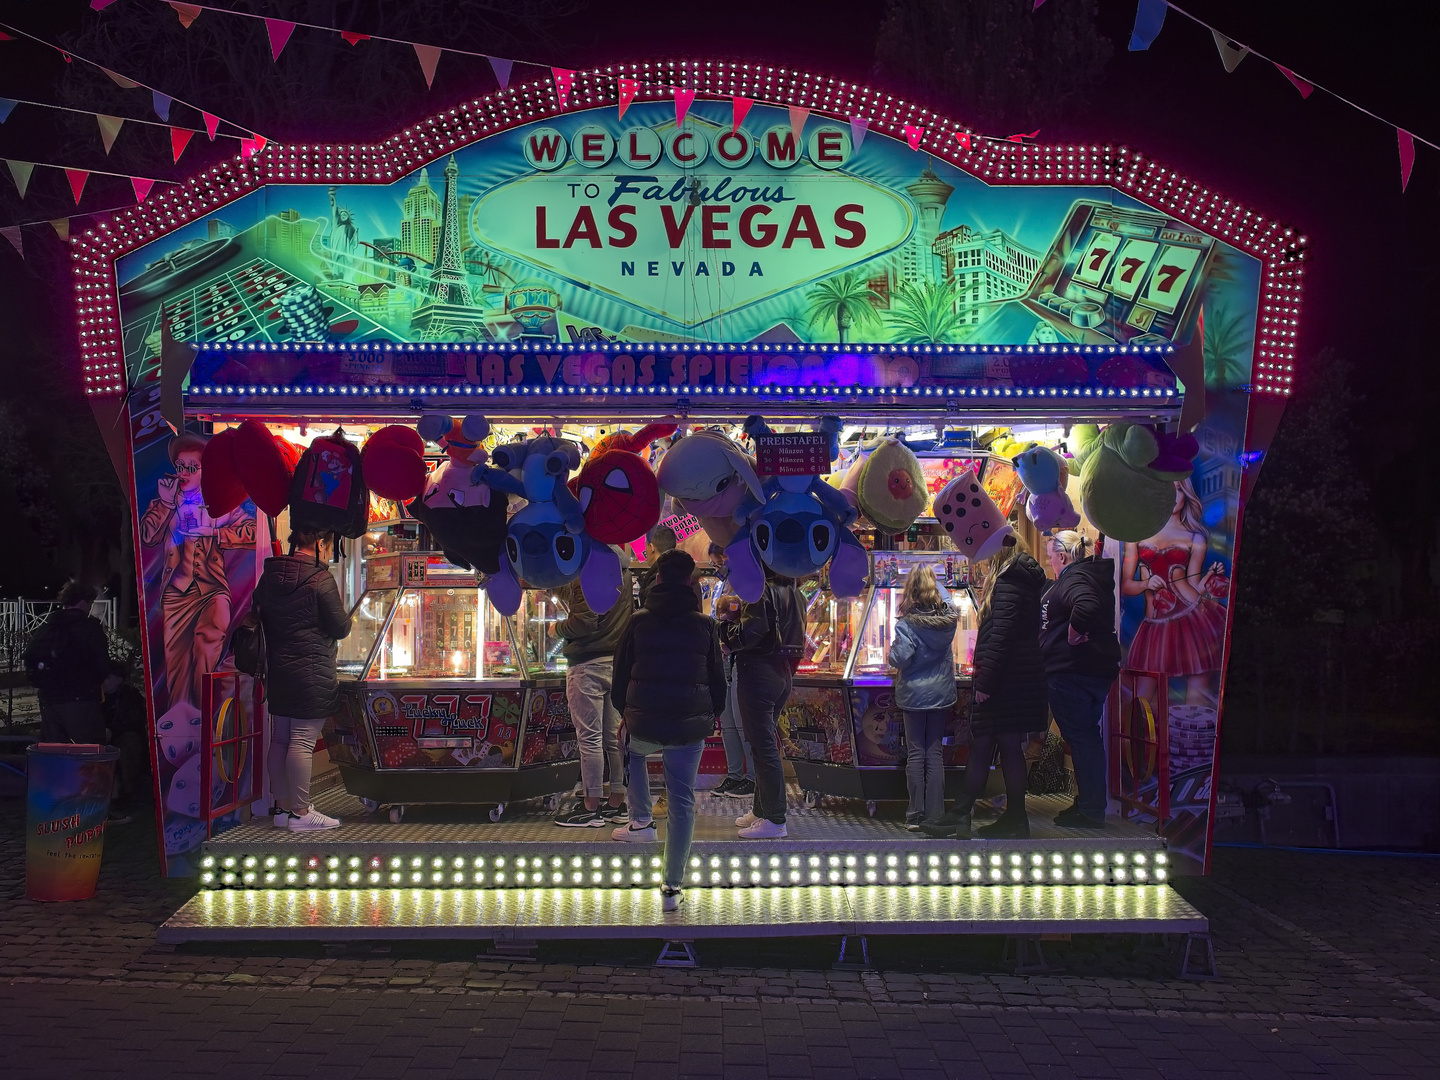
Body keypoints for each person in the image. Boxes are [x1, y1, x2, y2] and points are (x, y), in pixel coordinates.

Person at [609, 549, 727, 912]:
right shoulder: (705, 625)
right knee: (682, 802)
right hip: (688, 725)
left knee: (634, 750)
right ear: (690, 583)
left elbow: (620, 675)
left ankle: (641, 817)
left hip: (644, 721)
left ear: (657, 579)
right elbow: (717, 680)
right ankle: (672, 887)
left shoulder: (637, 621)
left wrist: (625, 714)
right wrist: (711, 714)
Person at [923, 535, 1047, 839]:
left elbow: (1001, 638)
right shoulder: (1023, 581)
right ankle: (997, 817)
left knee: (992, 745)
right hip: (1017, 680)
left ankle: (968, 815)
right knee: (1000, 746)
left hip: (1005, 683)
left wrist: (986, 681)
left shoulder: (1009, 583)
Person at [139, 432, 256, 710]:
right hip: (176, 594)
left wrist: (214, 532)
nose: (184, 473)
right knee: (177, 664)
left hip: (212, 590)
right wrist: (167, 504)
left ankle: (205, 716)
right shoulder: (167, 500)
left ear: (206, 471)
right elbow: (147, 536)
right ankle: (182, 725)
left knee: (208, 648)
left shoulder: (221, 503)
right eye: (181, 466)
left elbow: (252, 531)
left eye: (192, 467)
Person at [256, 528, 352, 832]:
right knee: (301, 741)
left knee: (281, 739)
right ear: (321, 544)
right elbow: (340, 627)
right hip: (311, 672)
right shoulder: (320, 579)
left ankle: (282, 809)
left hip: (279, 670)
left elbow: (259, 612)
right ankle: (301, 813)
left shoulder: (270, 575)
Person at [1041, 531, 1121, 828]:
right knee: (1087, 737)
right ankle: (1088, 802)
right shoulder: (1088, 575)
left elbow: (1085, 605)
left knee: (1082, 739)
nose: (1049, 562)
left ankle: (1090, 808)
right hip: (1091, 670)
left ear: (1062, 556)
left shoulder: (1075, 578)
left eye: (1050, 557)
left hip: (1072, 672)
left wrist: (1073, 633)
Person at [719, 567, 805, 839]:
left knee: (763, 745)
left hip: (758, 670)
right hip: (782, 672)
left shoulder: (760, 592)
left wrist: (724, 624)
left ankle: (775, 818)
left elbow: (747, 635)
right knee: (763, 743)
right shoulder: (795, 592)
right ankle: (762, 809)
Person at [552, 547, 633, 828]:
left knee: (589, 739)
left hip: (587, 663)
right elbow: (586, 602)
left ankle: (590, 807)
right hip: (616, 661)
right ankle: (616, 802)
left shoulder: (587, 568)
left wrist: (557, 630)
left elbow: (584, 621)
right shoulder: (623, 572)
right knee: (613, 738)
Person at [889, 565, 960, 830]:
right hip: (941, 693)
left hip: (914, 695)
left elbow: (900, 658)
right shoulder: (947, 622)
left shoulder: (907, 624)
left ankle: (915, 815)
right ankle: (936, 815)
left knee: (916, 753)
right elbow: (948, 601)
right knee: (935, 752)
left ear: (911, 590)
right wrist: (934, 584)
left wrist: (890, 654)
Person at [29, 581, 112, 746]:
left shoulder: (47, 627)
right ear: (83, 601)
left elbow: (31, 657)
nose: (90, 608)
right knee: (91, 754)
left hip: (50, 701)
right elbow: (101, 663)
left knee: (56, 753)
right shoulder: (89, 628)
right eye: (91, 603)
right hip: (82, 700)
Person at [707, 543, 754, 798]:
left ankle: (753, 778)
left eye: (718, 562)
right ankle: (735, 775)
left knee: (740, 721)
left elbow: (749, 626)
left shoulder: (748, 584)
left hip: (740, 658)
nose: (717, 568)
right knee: (726, 722)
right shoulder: (721, 585)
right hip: (723, 656)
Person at [634, 523, 678, 609]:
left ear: (651, 547)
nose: (645, 551)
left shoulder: (656, 587)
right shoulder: (685, 576)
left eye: (646, 545)